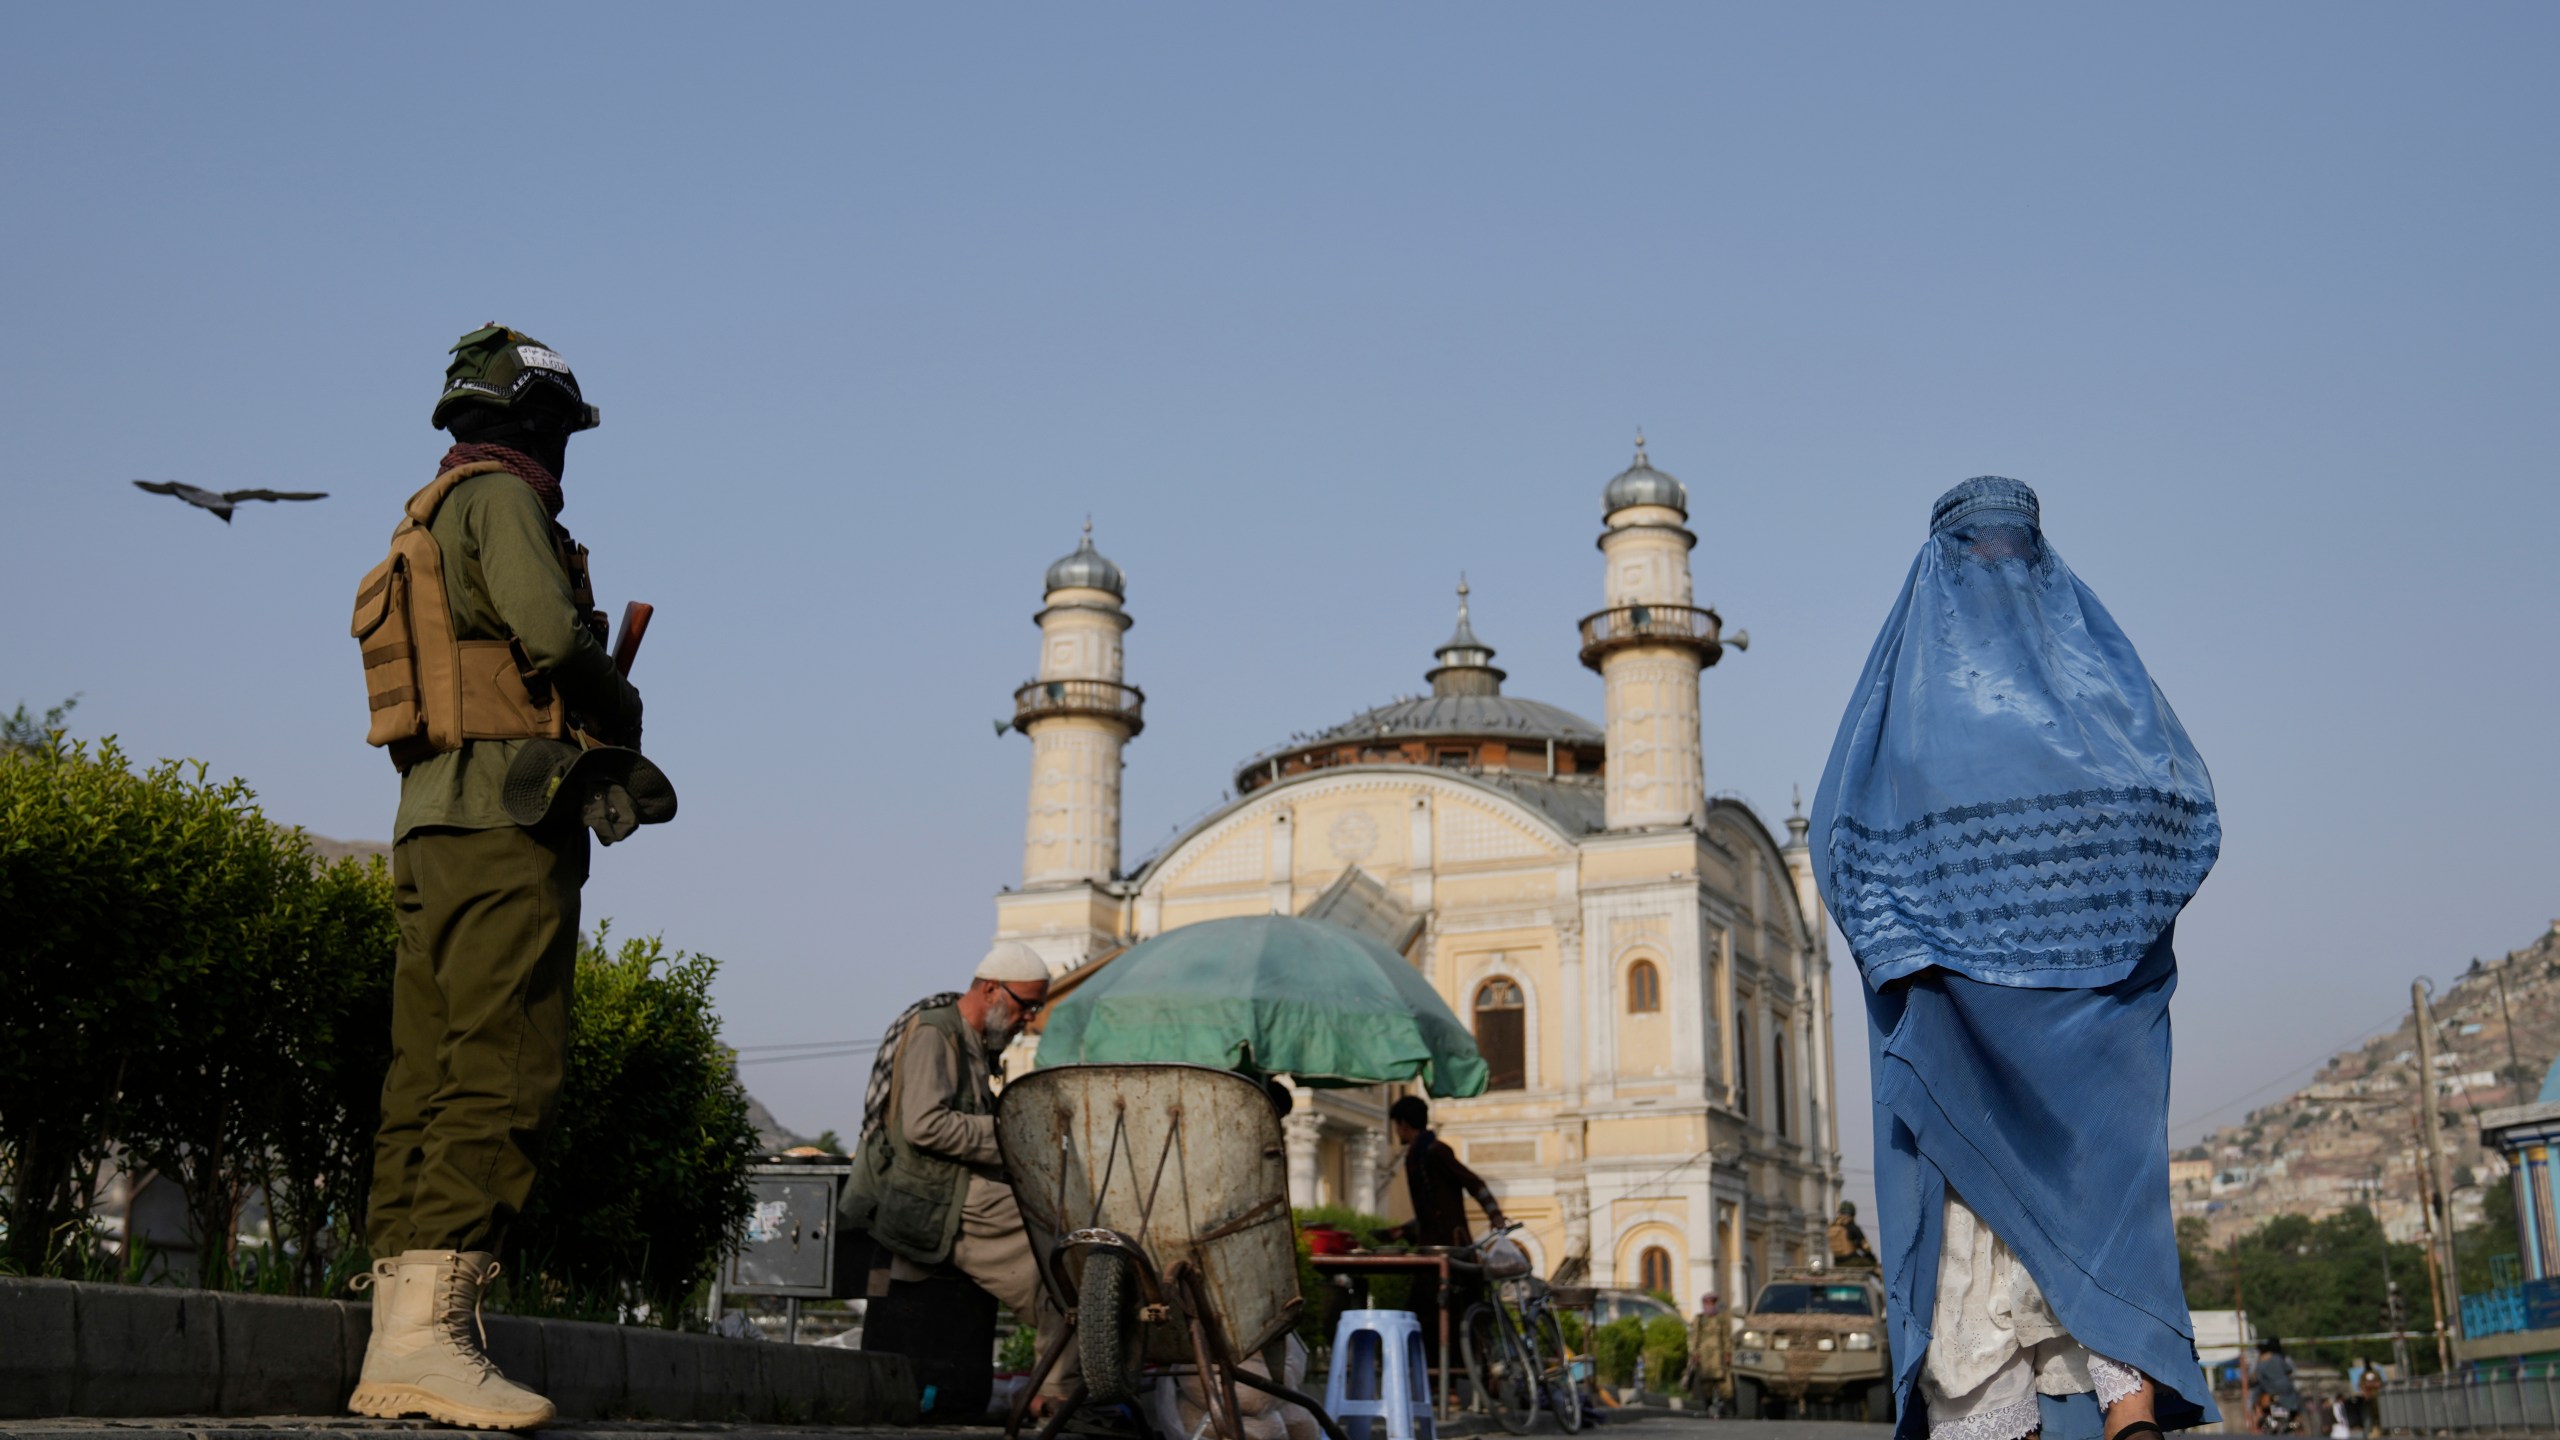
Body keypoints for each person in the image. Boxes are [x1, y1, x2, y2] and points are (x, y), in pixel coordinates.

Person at [1811, 478, 2221, 1440]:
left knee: (1976, 1234)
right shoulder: (2108, 701)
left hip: (1969, 1027)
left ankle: (2093, 1410)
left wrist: (1934, 942)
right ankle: (2129, 1405)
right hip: (2092, 1031)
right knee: (2099, 1202)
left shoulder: (1902, 713)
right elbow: (2182, 815)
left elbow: (1846, 846)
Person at [349, 326, 644, 1430]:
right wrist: (616, 707)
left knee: (423, 1067)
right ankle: (432, 1336)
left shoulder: (424, 512)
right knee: (503, 1057)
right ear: (538, 421)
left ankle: (401, 1325)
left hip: (429, 819)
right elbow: (552, 639)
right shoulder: (506, 500)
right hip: (508, 818)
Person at [840, 942, 1074, 1408]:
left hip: (957, 1188)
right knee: (1065, 1258)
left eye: (1036, 1007)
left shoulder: (974, 1043)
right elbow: (925, 1126)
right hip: (934, 1196)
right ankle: (1054, 1396)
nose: (1029, 1018)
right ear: (991, 990)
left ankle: (1057, 1392)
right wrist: (1015, 1135)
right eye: (1026, 1005)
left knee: (1071, 1264)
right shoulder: (935, 1032)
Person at [1389, 1095, 1507, 1373]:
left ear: (1404, 1124)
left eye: (1396, 1125)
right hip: (1430, 1251)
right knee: (1425, 1317)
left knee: (1452, 1317)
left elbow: (1473, 1183)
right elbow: (1431, 1211)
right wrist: (1403, 1231)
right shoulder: (1414, 1156)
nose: (1396, 1132)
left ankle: (1452, 1384)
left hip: (1454, 1250)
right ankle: (1435, 1382)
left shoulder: (1435, 1151)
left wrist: (1495, 1214)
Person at [1689, 1291, 1735, 1415]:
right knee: (1706, 1385)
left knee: (1725, 1386)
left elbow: (1726, 1337)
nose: (1710, 1305)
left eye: (1712, 1302)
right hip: (1704, 1357)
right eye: (1708, 1302)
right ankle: (1707, 1407)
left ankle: (1727, 1409)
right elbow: (1694, 1337)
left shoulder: (1721, 1320)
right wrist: (1694, 1353)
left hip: (1719, 1356)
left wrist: (1727, 1353)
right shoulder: (1699, 1319)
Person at [2251, 1340, 2302, 1434]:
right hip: (2286, 1391)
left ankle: (2265, 1421)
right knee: (2294, 1409)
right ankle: (2295, 1422)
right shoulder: (2278, 1358)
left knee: (2262, 1405)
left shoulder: (2259, 1365)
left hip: (2271, 1393)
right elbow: (2289, 1370)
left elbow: (2255, 1380)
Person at [1829, 1201, 1879, 1269]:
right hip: (1851, 1261)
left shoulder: (1832, 1226)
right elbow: (1866, 1247)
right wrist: (1872, 1259)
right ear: (1852, 1214)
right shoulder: (1852, 1227)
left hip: (1837, 1262)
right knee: (1876, 1267)